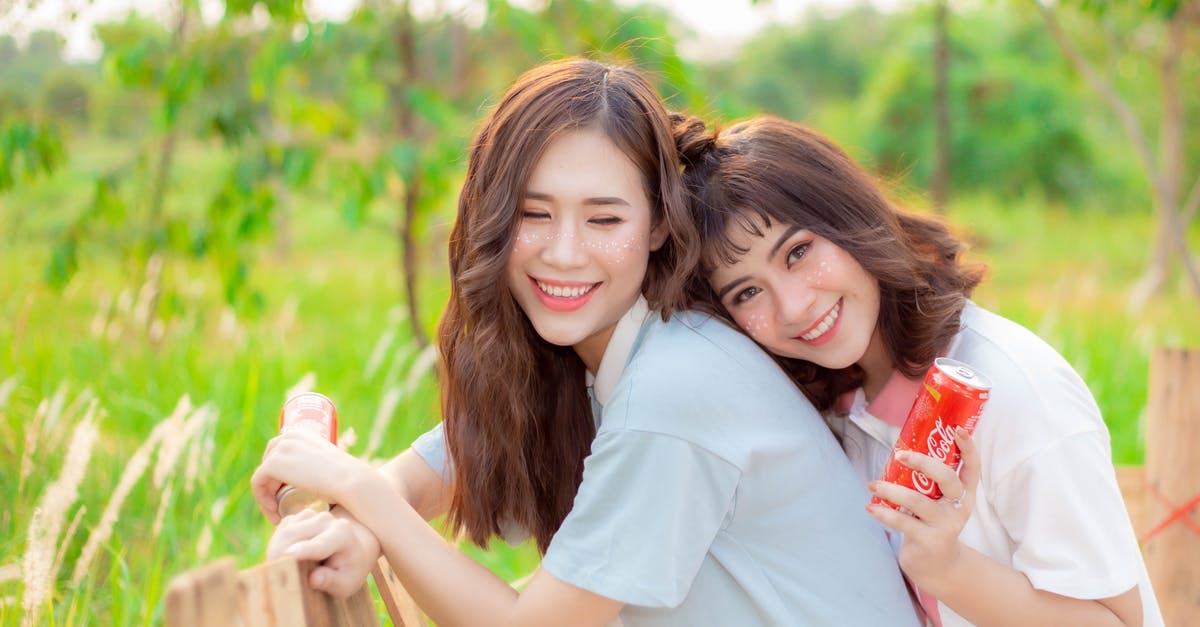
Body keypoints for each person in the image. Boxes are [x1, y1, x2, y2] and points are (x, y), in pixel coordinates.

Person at [251, 60, 920, 627]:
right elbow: (422, 476)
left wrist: (359, 493)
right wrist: (358, 521)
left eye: (604, 218)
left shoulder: (678, 383)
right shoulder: (587, 358)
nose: (565, 253)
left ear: (658, 224)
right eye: (533, 213)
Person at [676, 113, 1164, 627]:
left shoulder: (1015, 390)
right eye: (747, 292)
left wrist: (950, 571)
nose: (793, 306)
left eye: (798, 252)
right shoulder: (831, 404)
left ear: (850, 217)